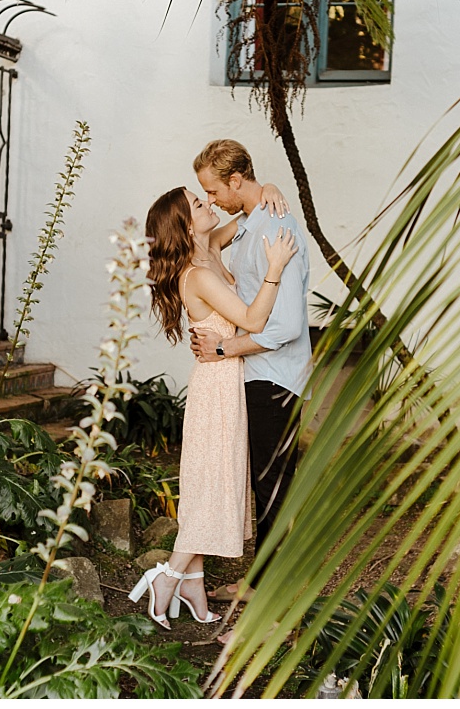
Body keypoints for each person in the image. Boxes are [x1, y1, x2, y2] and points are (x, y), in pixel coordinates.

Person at [130, 185, 296, 629]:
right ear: (186, 224)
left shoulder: (210, 247)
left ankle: (193, 585)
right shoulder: (198, 274)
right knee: (214, 484)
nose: (209, 205)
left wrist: (269, 191)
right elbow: (254, 321)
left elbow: (244, 218)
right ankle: (166, 577)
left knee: (214, 480)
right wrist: (275, 270)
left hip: (226, 380)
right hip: (217, 388)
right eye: (199, 204)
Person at [189, 139, 312, 607]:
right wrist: (266, 191)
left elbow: (285, 326)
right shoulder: (251, 222)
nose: (213, 201)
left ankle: (273, 606)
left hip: (274, 376)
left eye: (213, 190)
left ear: (235, 180)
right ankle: (259, 585)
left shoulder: (274, 229)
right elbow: (207, 239)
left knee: (274, 488)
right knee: (264, 486)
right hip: (254, 373)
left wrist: (223, 347)